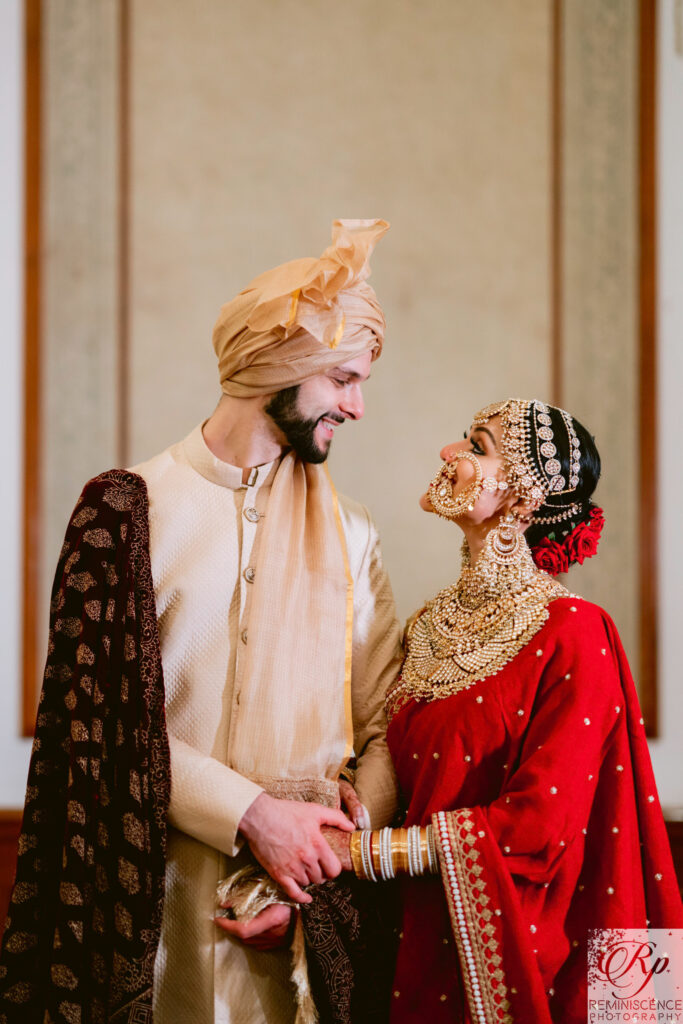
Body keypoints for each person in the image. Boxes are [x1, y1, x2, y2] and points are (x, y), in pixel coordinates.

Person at [0, 219, 402, 1023]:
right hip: (154, 918)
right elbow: (98, 724)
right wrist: (253, 817)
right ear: (280, 368)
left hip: (305, 931)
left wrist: (316, 870)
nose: (357, 407)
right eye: (343, 379)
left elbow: (387, 725)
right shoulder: (128, 512)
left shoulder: (354, 532)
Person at [332, 398, 683, 1023]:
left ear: (525, 499)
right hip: (408, 935)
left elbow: (539, 824)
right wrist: (345, 819)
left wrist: (366, 855)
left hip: (517, 960)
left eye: (478, 445)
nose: (450, 454)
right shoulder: (428, 625)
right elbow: (393, 757)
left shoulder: (575, 630)